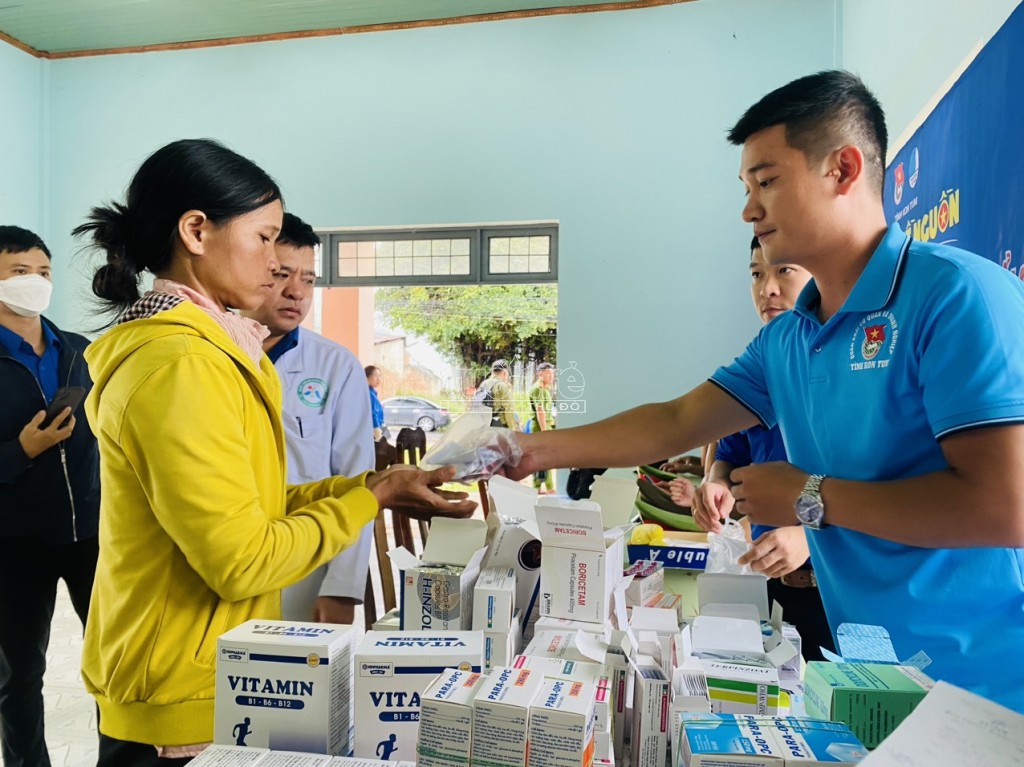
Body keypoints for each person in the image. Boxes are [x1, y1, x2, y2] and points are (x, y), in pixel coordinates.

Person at [508, 71, 1024, 711]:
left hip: (991, 685)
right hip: (877, 678)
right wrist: (526, 450)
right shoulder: (790, 339)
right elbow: (675, 420)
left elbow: (1007, 506)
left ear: (842, 169)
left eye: (768, 182)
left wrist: (808, 498)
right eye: (746, 188)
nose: (750, 210)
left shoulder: (954, 297)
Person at [74, 138, 475, 764]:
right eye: (263, 238)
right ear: (196, 231)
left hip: (211, 669)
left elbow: (252, 502)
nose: (276, 263)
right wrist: (362, 502)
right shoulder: (181, 364)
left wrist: (374, 489)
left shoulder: (213, 351)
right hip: (178, 691)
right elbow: (238, 559)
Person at [694, 236, 833, 660]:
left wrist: (811, 538)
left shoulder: (846, 370)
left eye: (783, 271)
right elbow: (727, 452)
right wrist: (715, 482)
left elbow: (884, 488)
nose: (767, 289)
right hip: (767, 581)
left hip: (834, 592)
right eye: (757, 274)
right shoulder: (762, 362)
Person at [241, 212, 375, 625]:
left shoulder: (336, 365)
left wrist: (343, 587)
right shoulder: (214, 359)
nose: (297, 292)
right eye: (281, 274)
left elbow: (357, 476)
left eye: (310, 279)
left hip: (306, 573)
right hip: (229, 563)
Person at [0, 226, 100, 767]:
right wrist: (21, 449)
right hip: (13, 540)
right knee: (18, 677)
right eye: (20, 273)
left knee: (113, 664)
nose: (35, 283)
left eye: (43, 273)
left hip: (88, 531)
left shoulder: (78, 352)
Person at [528, 362, 556, 493]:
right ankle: (547, 487)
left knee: (543, 458)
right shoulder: (538, 389)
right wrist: (545, 431)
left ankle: (538, 487)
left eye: (553, 373)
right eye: (549, 373)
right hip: (540, 427)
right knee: (544, 458)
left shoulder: (544, 389)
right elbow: (540, 411)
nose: (552, 376)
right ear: (540, 374)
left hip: (545, 426)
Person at [480, 359, 517, 429]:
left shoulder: (483, 384)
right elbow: (509, 409)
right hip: (500, 425)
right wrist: (513, 429)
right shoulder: (502, 386)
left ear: (492, 372)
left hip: (485, 424)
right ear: (505, 373)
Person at [366, 365, 386, 441]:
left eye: (380, 376)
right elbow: (373, 415)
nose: (379, 379)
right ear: (367, 377)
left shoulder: (373, 392)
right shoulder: (369, 393)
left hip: (380, 426)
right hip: (375, 429)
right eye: (375, 375)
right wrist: (379, 435)